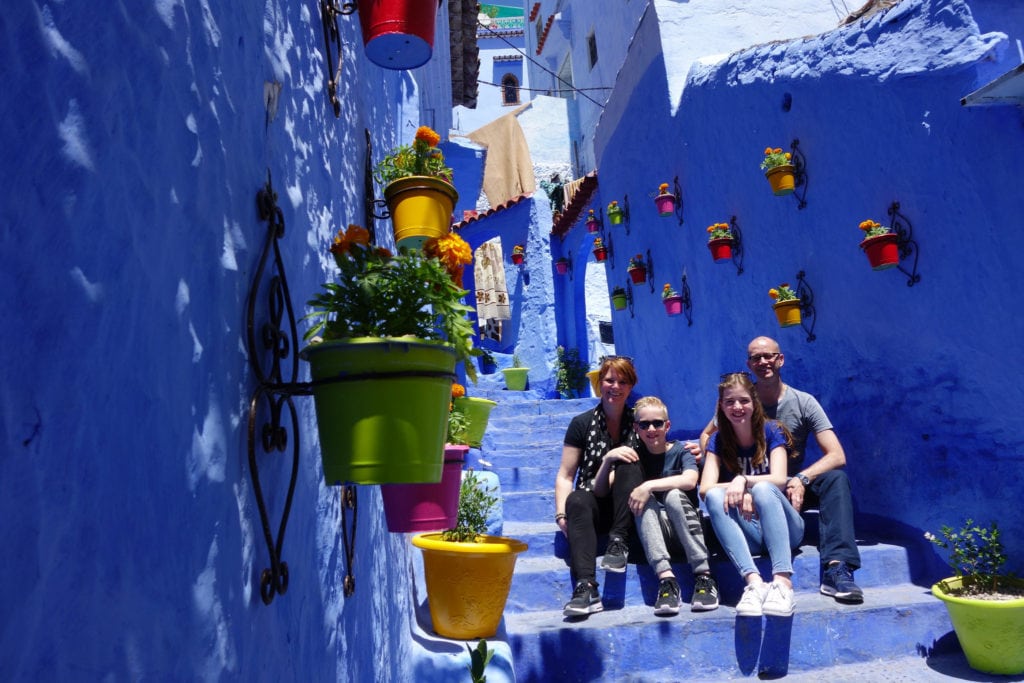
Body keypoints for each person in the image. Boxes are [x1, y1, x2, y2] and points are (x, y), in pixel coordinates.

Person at [697, 336, 863, 603]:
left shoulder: (803, 402)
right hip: (753, 485)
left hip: (791, 482)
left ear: (780, 359)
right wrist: (739, 480)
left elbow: (836, 454)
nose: (763, 362)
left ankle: (837, 567)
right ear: (748, 364)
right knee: (757, 490)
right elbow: (708, 437)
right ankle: (753, 579)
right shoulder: (740, 399)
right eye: (756, 358)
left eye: (769, 356)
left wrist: (800, 478)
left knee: (835, 480)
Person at [699, 373, 804, 617]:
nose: (737, 407)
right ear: (721, 406)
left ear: (754, 403)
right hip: (755, 533)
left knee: (764, 489)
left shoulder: (771, 431)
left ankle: (783, 582)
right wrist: (740, 490)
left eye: (744, 401)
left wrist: (744, 481)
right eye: (730, 402)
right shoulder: (717, 440)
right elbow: (705, 489)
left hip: (788, 530)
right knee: (714, 497)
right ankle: (754, 583)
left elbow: (779, 479)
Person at [619, 396, 719, 615]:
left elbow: (690, 480)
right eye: (644, 424)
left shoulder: (682, 451)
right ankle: (667, 581)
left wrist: (648, 486)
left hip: (688, 532)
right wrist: (609, 458)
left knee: (674, 494)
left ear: (668, 425)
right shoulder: (633, 456)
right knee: (645, 502)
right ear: (636, 428)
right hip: (653, 538)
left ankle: (704, 576)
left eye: (658, 423)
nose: (652, 429)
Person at [555, 356, 639, 617]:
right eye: (610, 380)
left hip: (627, 509)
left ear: (631, 386)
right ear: (599, 383)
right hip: (591, 505)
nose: (616, 386)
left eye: (623, 382)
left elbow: (662, 450)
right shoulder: (582, 423)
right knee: (577, 499)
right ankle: (586, 587)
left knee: (628, 465)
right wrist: (561, 515)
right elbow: (566, 475)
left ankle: (618, 543)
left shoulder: (640, 421)